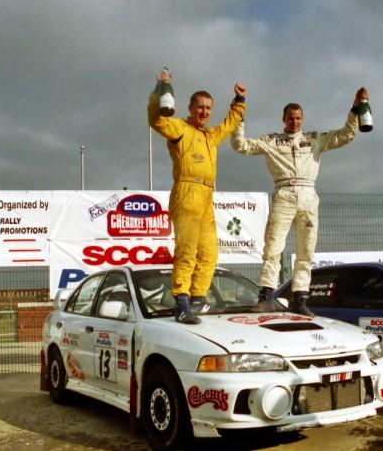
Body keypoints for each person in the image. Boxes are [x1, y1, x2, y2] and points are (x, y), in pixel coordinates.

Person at [231, 88, 369, 315]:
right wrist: (239, 113)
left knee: (306, 251)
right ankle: (266, 296)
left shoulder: (315, 139)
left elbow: (346, 135)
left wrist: (356, 107)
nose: (294, 122)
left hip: (308, 196)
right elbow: (241, 145)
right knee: (273, 247)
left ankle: (300, 299)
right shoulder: (272, 141)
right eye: (290, 118)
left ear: (302, 119)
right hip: (284, 193)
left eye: (298, 118)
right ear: (283, 119)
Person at [148, 70, 247, 324]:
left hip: (206, 195)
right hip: (187, 190)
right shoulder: (180, 128)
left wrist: (239, 101)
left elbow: (230, 124)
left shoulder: (211, 135)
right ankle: (181, 302)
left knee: (209, 252)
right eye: (200, 107)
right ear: (190, 108)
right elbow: (155, 120)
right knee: (187, 250)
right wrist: (160, 89)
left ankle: (199, 299)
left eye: (208, 108)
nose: (204, 112)